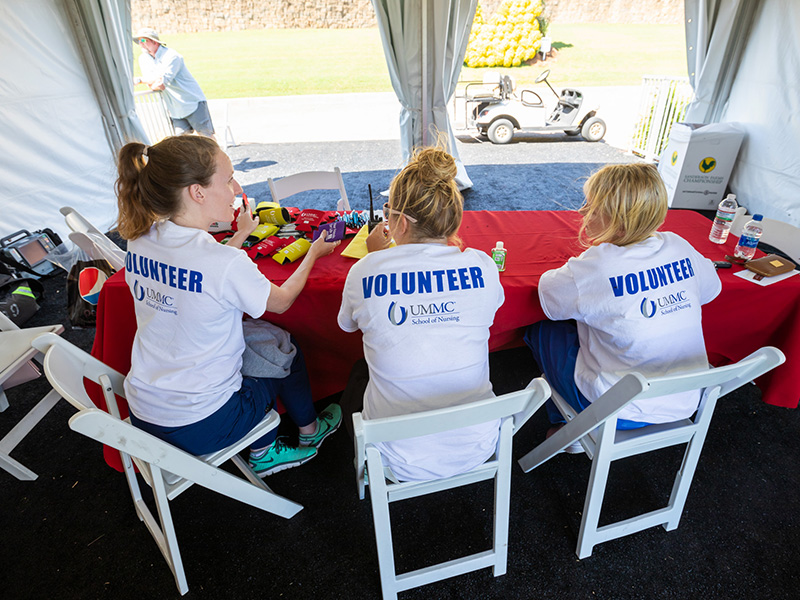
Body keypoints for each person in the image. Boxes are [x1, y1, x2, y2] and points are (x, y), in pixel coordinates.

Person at [115, 135, 342, 476]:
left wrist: (240, 235)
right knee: (282, 349)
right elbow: (280, 303)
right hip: (205, 425)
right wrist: (313, 253)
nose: (236, 187)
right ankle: (285, 444)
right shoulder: (221, 262)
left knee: (257, 336)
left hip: (145, 413)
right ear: (198, 192)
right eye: (228, 179)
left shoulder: (141, 239)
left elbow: (205, 272)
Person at [525, 163, 722, 451]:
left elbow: (548, 299)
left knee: (541, 326)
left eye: (591, 206)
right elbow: (710, 290)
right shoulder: (679, 245)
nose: (582, 213)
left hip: (615, 408)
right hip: (685, 400)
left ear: (618, 220)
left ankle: (570, 425)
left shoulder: (597, 264)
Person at [337, 146, 505, 482]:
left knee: (358, 376)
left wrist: (374, 259)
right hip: (479, 443)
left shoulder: (366, 270)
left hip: (397, 457)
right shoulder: (483, 265)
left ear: (399, 221)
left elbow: (346, 325)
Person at [133, 27, 215, 138]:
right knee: (181, 143)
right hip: (175, 110)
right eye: (138, 41)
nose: (140, 44)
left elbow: (161, 82)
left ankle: (220, 156)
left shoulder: (172, 56)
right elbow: (153, 85)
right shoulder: (143, 59)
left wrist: (140, 80)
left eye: (143, 40)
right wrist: (153, 81)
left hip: (192, 102)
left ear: (154, 41)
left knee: (206, 138)